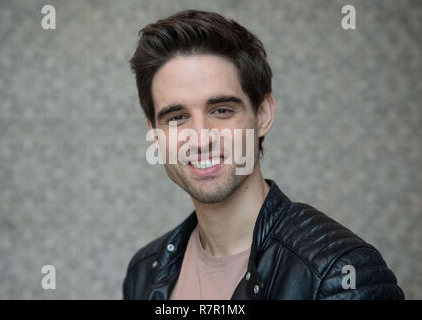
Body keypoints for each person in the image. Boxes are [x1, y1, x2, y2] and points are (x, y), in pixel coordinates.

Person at [123, 9, 404, 300]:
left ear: (264, 115)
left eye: (221, 110)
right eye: (177, 117)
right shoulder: (144, 272)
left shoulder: (339, 272)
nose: (200, 138)